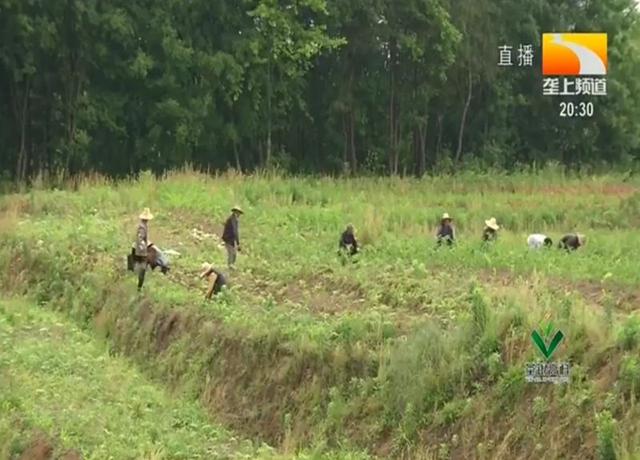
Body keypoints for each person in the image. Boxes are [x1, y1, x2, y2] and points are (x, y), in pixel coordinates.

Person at [133, 208, 153, 291]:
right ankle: (139, 286)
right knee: (143, 268)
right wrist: (144, 246)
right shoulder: (142, 227)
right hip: (141, 251)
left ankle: (140, 284)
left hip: (140, 249)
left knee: (143, 267)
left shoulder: (143, 226)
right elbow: (140, 239)